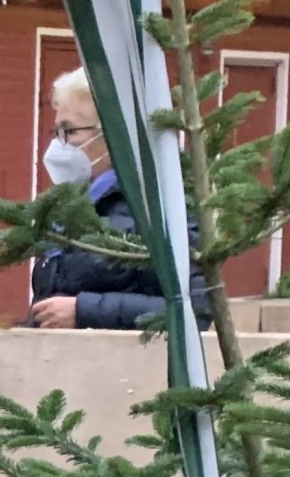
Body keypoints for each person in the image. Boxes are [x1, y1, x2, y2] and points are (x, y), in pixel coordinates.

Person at [31, 67, 210, 329]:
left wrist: (84, 311)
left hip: (127, 366)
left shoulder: (160, 205)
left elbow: (194, 309)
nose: (60, 144)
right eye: (57, 131)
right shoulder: (68, 206)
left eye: (70, 131)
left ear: (112, 134)